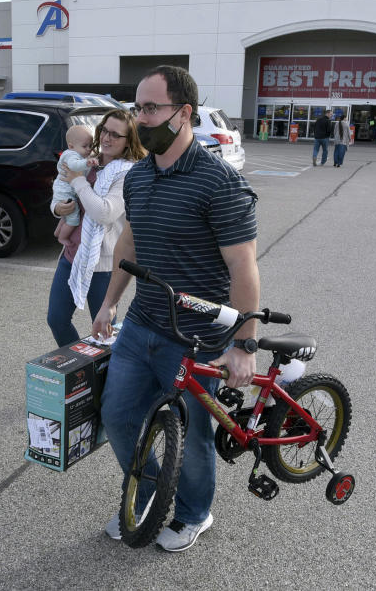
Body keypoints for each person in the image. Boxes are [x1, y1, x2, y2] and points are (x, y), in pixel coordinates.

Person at [92, 65, 259, 552]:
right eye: (137, 108)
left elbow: (243, 267)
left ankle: (193, 513)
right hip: (141, 326)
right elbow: (131, 239)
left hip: (197, 338)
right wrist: (108, 303)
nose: (141, 118)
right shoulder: (140, 177)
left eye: (151, 108)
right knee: (119, 417)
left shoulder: (219, 183)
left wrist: (244, 344)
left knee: (192, 434)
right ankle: (145, 496)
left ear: (184, 113)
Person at [46, 109, 147, 347]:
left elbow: (104, 212)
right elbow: (62, 187)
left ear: (128, 141)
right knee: (56, 319)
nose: (106, 138)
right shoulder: (86, 161)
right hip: (72, 255)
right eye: (104, 131)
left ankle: (107, 378)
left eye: (115, 134)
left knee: (103, 330)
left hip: (104, 264)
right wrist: (57, 208)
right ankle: (80, 369)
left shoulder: (127, 173)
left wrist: (78, 180)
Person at [51, 125, 97, 244]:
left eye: (90, 146)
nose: (89, 149)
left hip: (65, 191)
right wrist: (87, 163)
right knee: (73, 219)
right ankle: (63, 237)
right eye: (84, 146)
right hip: (65, 192)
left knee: (67, 215)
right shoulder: (71, 155)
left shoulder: (78, 154)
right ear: (71, 146)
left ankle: (57, 232)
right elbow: (74, 166)